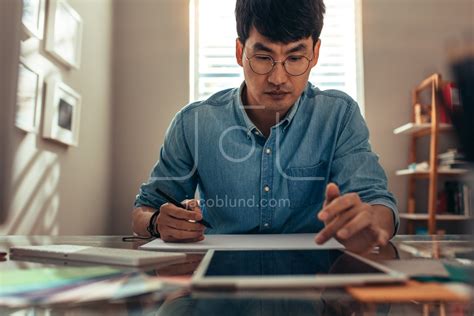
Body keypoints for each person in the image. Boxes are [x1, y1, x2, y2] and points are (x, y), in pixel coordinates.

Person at [132, 0, 398, 253]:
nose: (278, 78)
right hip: (219, 285)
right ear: (240, 53)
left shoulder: (339, 116)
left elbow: (377, 202)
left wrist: (371, 220)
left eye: (295, 58)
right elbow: (144, 210)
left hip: (317, 284)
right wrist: (157, 222)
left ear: (315, 54)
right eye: (263, 57)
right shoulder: (192, 123)